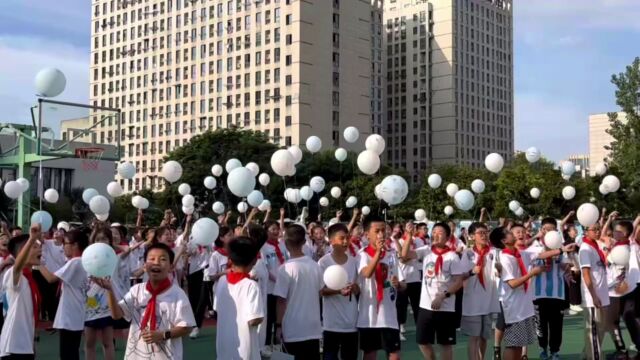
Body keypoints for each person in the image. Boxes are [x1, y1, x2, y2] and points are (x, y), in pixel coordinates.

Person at [94, 243, 196, 360]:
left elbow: (187, 327)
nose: (156, 262)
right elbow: (117, 315)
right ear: (145, 265)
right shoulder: (137, 290)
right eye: (151, 259)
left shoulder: (177, 294)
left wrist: (163, 335)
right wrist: (109, 290)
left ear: (171, 267)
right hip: (136, 355)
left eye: (162, 259)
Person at [499, 226, 572, 360]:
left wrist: (562, 249)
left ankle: (552, 350)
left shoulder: (521, 254)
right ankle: (544, 349)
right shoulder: (505, 258)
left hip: (523, 307)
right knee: (512, 345)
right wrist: (532, 273)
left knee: (519, 344)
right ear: (504, 240)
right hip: (513, 307)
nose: (519, 234)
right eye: (513, 233)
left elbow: (542, 254)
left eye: (522, 231)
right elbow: (513, 284)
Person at [401, 222, 464, 360]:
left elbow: (459, 282)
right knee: (422, 341)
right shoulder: (426, 250)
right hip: (426, 306)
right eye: (434, 231)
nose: (435, 235)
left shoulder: (452, 256)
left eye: (440, 232)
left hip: (446, 307)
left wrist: (442, 296)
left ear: (447, 237)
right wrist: (409, 236)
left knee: (445, 343)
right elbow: (404, 254)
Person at [358, 215, 405, 360]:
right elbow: (366, 273)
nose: (381, 234)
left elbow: (403, 282)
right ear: (367, 234)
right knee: (370, 353)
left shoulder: (391, 255)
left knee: (394, 354)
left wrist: (399, 284)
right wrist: (378, 253)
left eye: (383, 230)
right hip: (369, 314)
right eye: (377, 231)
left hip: (388, 313)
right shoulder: (362, 255)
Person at [38, 229, 89, 360]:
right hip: (76, 312)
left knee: (67, 353)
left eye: (65, 243)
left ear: (75, 245)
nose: (63, 246)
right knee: (72, 351)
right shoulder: (83, 261)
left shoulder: (75, 262)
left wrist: (38, 262)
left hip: (70, 315)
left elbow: (50, 278)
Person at [274, 224, 323, 359]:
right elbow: (320, 292)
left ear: (285, 242)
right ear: (303, 242)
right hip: (312, 327)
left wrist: (278, 326)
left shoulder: (285, 269)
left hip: (292, 328)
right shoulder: (315, 266)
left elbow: (281, 301)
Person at [214, 236, 264, 360]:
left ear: (230, 259)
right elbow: (254, 319)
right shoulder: (251, 285)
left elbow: (217, 308)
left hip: (224, 344)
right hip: (245, 347)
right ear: (254, 260)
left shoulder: (221, 281)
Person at [531, 218, 572, 360]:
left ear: (556, 231)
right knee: (541, 326)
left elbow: (566, 265)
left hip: (557, 293)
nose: (548, 232)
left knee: (556, 326)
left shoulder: (561, 247)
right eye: (545, 229)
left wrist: (567, 266)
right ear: (541, 230)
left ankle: (555, 351)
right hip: (539, 293)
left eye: (551, 229)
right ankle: (543, 349)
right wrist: (556, 251)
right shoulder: (535, 246)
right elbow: (539, 256)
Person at [318, 223, 360, 360]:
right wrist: (338, 291)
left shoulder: (354, 261)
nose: (345, 241)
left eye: (347, 238)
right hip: (331, 324)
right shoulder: (323, 262)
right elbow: (321, 291)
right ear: (331, 241)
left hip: (351, 322)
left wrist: (354, 288)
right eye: (341, 238)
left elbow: (359, 288)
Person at [0, 224, 42, 360]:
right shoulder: (14, 275)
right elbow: (17, 266)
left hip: (25, 346)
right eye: (34, 247)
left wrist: (32, 342)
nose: (39, 249)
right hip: (12, 347)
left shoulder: (31, 280)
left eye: (38, 246)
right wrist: (31, 239)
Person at [460, 222, 500, 360]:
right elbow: (461, 275)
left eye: (485, 232)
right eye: (480, 233)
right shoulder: (468, 254)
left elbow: (499, 272)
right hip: (472, 302)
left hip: (488, 301)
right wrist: (471, 271)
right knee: (474, 337)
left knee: (484, 337)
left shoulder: (493, 252)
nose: (484, 235)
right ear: (472, 236)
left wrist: (500, 270)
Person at [605, 219, 640, 358]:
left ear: (625, 234)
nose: (614, 232)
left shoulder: (627, 247)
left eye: (618, 231)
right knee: (622, 319)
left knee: (620, 320)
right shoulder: (619, 246)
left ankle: (625, 349)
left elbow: (606, 262)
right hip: (620, 289)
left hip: (623, 289)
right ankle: (626, 347)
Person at [579, 222, 610, 360]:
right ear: (586, 231)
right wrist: (594, 296)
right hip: (593, 297)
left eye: (599, 229)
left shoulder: (595, 246)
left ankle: (586, 356)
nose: (598, 232)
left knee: (600, 331)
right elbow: (586, 274)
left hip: (602, 295)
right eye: (594, 230)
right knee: (593, 332)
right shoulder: (585, 248)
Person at [393, 221, 422, 341]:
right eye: (409, 226)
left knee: (417, 306)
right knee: (401, 306)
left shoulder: (418, 241)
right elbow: (402, 259)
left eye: (413, 226)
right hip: (403, 278)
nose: (411, 228)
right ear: (404, 229)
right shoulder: (400, 241)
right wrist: (410, 256)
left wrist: (408, 256)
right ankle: (400, 328)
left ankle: (420, 329)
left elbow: (420, 256)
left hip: (416, 278)